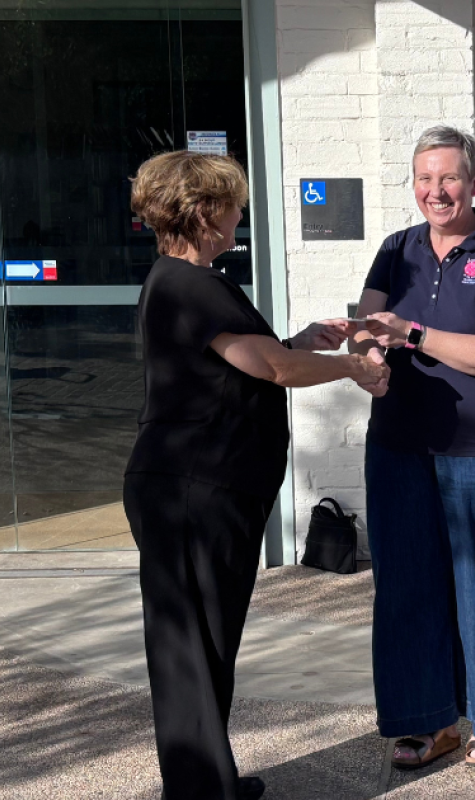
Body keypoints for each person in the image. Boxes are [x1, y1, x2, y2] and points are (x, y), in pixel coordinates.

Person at [124, 151, 389, 800]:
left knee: (207, 644)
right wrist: (352, 368)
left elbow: (250, 361)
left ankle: (208, 781)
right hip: (192, 489)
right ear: (202, 211)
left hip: (207, 488)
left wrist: (304, 340)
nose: (241, 212)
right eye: (233, 202)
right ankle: (199, 791)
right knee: (190, 649)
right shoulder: (189, 284)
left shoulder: (195, 280)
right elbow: (269, 369)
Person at [349, 126, 475, 771]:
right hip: (400, 445)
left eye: (449, 177)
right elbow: (366, 327)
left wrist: (411, 332)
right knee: (406, 588)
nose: (437, 191)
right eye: (425, 179)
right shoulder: (395, 249)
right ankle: (429, 724)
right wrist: (368, 351)